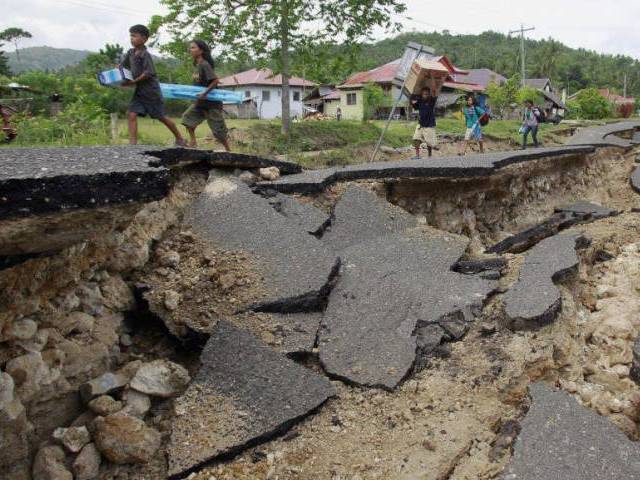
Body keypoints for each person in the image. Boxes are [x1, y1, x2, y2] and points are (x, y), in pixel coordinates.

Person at [120, 24, 185, 146]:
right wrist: (116, 77)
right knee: (131, 113)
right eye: (130, 36)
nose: (131, 38)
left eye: (134, 36)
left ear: (144, 39)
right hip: (139, 91)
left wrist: (133, 82)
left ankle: (180, 138)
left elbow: (148, 73)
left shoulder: (145, 54)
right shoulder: (130, 52)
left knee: (161, 117)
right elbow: (122, 67)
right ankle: (132, 145)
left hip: (151, 92)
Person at [181, 39, 230, 151]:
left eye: (193, 47)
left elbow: (215, 81)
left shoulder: (204, 64)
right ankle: (193, 142)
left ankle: (228, 149)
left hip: (212, 104)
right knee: (187, 118)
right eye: (190, 47)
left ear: (201, 51)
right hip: (200, 102)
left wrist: (205, 92)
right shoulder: (196, 65)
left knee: (218, 131)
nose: (190, 50)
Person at [410, 77, 440, 159]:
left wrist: (433, 77)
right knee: (416, 138)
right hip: (420, 124)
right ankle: (417, 155)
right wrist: (412, 101)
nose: (425, 95)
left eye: (427, 94)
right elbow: (413, 105)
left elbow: (434, 90)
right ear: (421, 94)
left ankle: (430, 155)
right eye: (424, 94)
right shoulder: (419, 101)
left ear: (429, 94)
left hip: (429, 124)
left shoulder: (431, 101)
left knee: (429, 142)